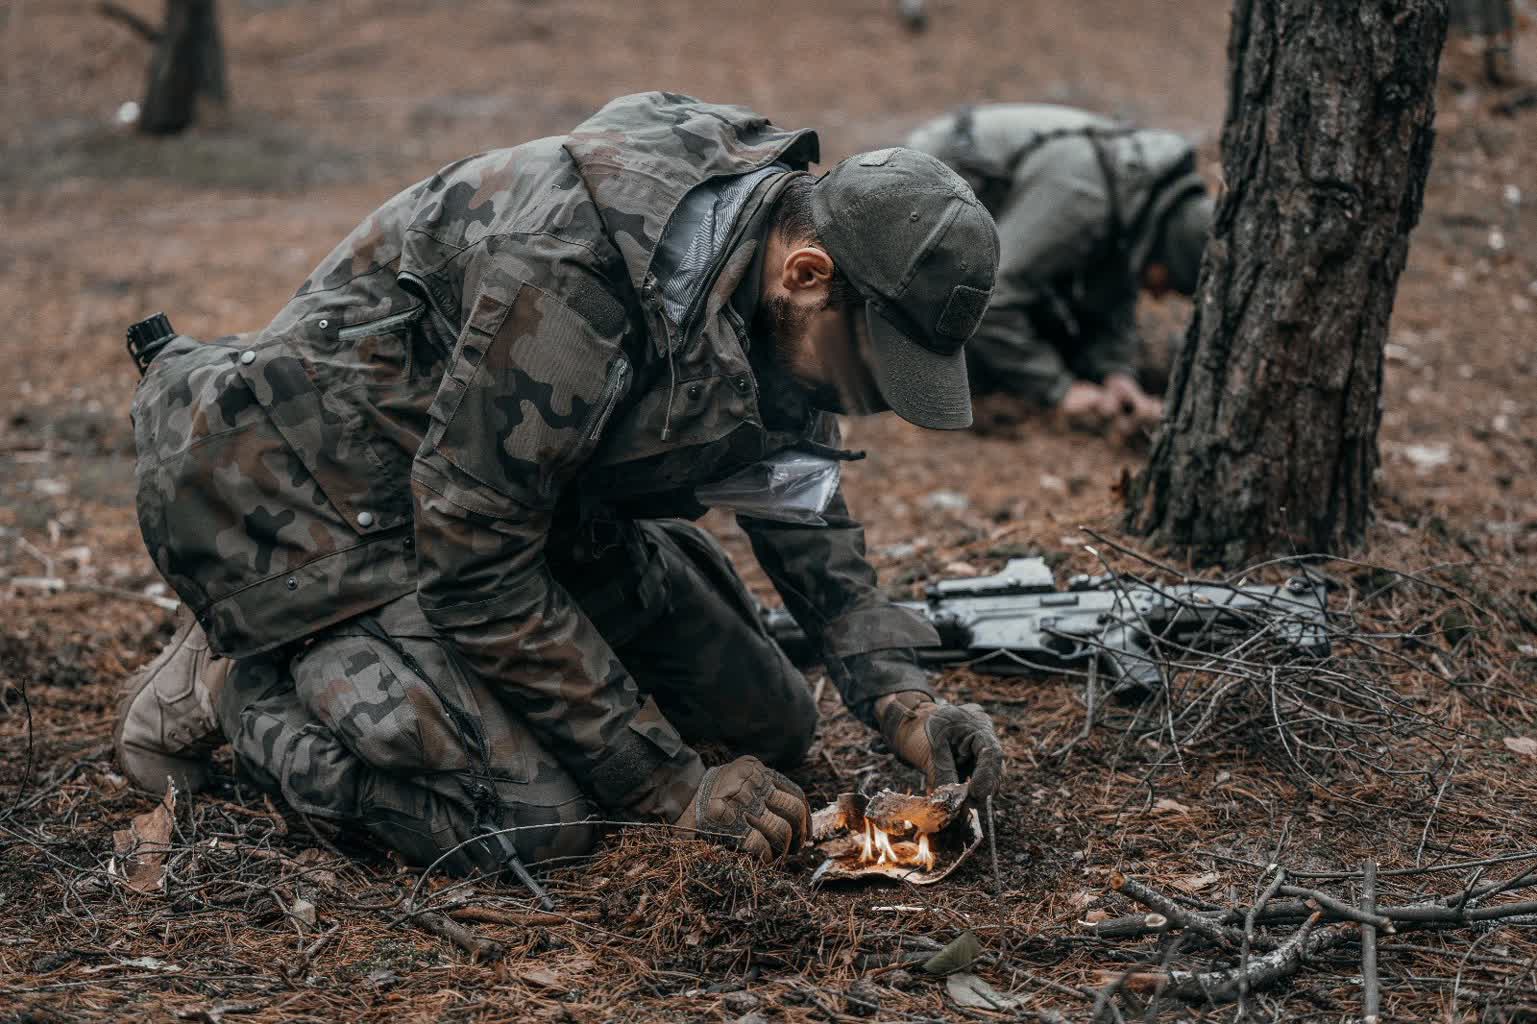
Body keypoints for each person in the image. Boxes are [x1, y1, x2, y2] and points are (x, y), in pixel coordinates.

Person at [115, 93, 1006, 877]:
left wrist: (902, 701)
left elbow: (794, 484)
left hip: (509, 496)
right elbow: (474, 568)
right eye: (869, 368)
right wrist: (669, 786)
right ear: (808, 274)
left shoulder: (761, 258)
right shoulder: (567, 279)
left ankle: (398, 676)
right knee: (532, 824)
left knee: (774, 725)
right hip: (317, 507)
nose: (868, 401)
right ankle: (241, 681)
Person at [905, 103, 1214, 435]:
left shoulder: (1132, 201)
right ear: (1165, 247)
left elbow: (1114, 292)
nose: (1156, 293)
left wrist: (1116, 374)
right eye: (1165, 279)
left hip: (992, 218)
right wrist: (1059, 389)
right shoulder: (1086, 198)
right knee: (975, 362)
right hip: (912, 205)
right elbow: (990, 298)